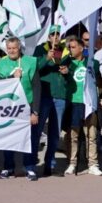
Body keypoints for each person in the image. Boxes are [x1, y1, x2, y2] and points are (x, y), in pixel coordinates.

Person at [0, 37, 42, 180]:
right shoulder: (1, 63)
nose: (12, 51)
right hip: (8, 107)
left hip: (27, 105)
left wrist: (35, 112)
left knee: (30, 138)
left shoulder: (30, 62)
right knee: (9, 138)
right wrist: (11, 76)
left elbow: (36, 87)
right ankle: (8, 167)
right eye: (9, 48)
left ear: (19, 48)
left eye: (14, 48)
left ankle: (30, 167)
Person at [30, 27, 68, 178]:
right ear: (48, 36)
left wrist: (67, 72)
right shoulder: (40, 50)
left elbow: (70, 70)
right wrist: (46, 58)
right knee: (37, 131)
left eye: (59, 34)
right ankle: (31, 164)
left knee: (55, 133)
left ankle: (50, 164)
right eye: (53, 34)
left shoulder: (65, 51)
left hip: (60, 96)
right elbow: (34, 69)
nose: (56, 37)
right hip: (44, 95)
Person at [63, 35, 102, 176]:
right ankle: (72, 163)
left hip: (89, 102)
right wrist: (67, 72)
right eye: (69, 47)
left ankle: (93, 163)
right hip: (74, 102)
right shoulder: (68, 63)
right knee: (73, 135)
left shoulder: (92, 63)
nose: (70, 50)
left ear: (81, 48)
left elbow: (98, 78)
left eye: (73, 47)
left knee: (91, 134)